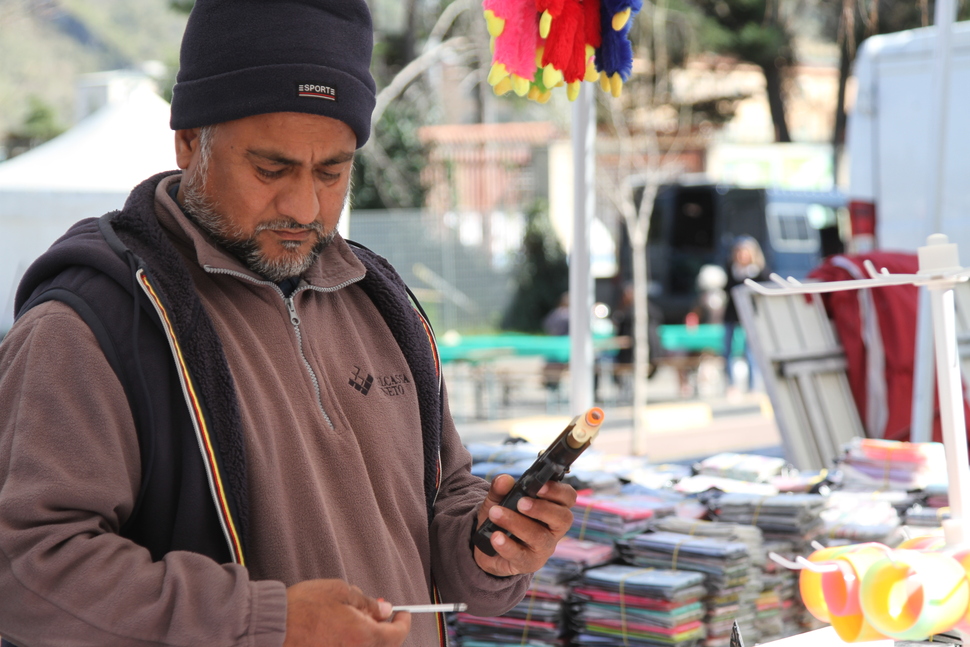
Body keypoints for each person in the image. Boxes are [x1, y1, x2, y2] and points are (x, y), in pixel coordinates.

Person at [0, 2, 577, 646]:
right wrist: (265, 624)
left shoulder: (380, 302)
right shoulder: (91, 324)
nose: (303, 207)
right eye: (270, 170)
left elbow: (443, 499)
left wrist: (493, 547)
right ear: (189, 141)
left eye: (332, 172)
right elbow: (24, 570)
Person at [723, 235, 769, 393]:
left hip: (750, 314)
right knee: (727, 350)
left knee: (750, 351)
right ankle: (731, 385)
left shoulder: (759, 271)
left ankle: (753, 386)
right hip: (732, 313)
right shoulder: (731, 268)